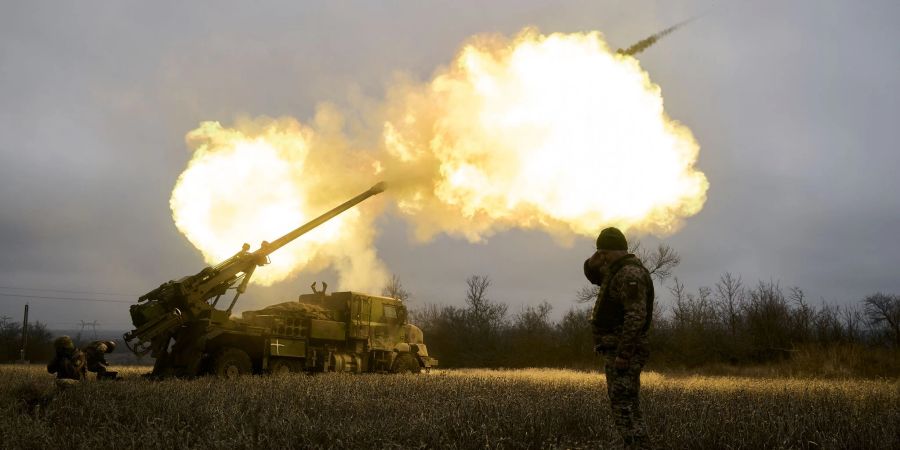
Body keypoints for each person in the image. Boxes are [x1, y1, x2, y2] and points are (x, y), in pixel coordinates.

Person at [584, 227, 654, 450]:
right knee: (625, 402)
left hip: (624, 352)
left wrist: (624, 354)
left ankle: (638, 445)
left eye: (604, 253)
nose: (602, 258)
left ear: (614, 251)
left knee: (624, 404)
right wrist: (591, 261)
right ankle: (634, 444)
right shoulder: (618, 271)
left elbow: (636, 316)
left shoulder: (629, 274)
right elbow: (595, 277)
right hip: (617, 350)